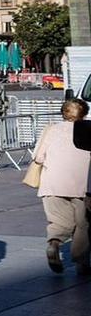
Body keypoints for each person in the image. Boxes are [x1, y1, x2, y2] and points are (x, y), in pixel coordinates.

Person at [31, 97, 90, 277]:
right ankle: (82, 262)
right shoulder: (88, 130)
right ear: (84, 113)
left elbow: (38, 158)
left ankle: (54, 244)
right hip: (83, 185)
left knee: (58, 221)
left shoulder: (51, 129)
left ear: (63, 113)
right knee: (84, 224)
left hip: (53, 184)